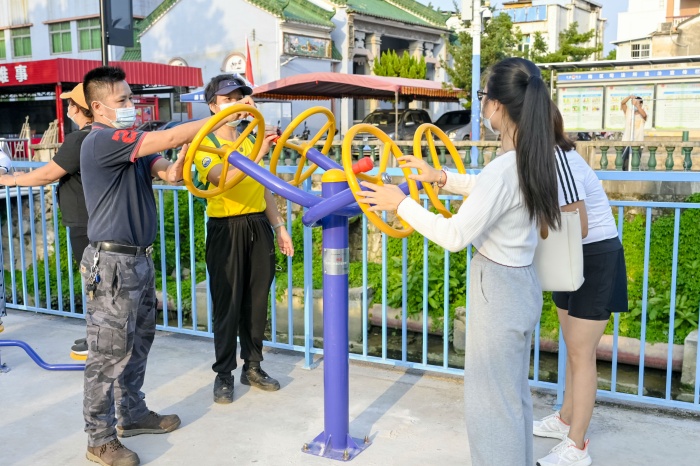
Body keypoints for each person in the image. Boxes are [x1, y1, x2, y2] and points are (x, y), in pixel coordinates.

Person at [355, 57, 561, 465]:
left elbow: (454, 236)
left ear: (496, 105)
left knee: (491, 408)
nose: (481, 105)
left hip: (497, 289)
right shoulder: (534, 156)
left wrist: (401, 204)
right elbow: (490, 191)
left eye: (483, 97)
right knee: (511, 399)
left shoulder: (505, 168)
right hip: (522, 284)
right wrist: (442, 178)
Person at [80, 66, 243, 466]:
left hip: (139, 259)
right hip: (112, 263)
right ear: (98, 107)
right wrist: (222, 117)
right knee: (107, 355)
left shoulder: (133, 146)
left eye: (131, 98)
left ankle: (132, 414)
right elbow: (169, 136)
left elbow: (170, 173)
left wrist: (183, 159)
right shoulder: (101, 141)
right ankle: (99, 439)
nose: (130, 105)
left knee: (138, 343)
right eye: (122, 100)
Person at [533, 106, 628, 466]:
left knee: (581, 353)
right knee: (571, 345)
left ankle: (577, 446)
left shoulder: (559, 158)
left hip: (594, 254)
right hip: (567, 251)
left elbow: (579, 222)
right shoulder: (539, 158)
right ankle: (565, 419)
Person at [193, 74, 294, 404]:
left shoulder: (251, 140)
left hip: (257, 226)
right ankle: (223, 373)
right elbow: (221, 179)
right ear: (213, 106)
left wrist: (279, 227)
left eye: (240, 98)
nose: (236, 104)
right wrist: (260, 151)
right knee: (228, 304)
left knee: (256, 303)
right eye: (228, 99)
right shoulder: (205, 143)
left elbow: (263, 188)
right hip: (226, 228)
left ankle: (252, 367)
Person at [0, 83, 93, 356]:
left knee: (94, 283)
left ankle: (98, 339)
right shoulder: (101, 137)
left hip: (85, 223)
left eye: (71, 104)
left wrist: (10, 180)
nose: (68, 108)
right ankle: (97, 335)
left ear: (80, 108)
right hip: (95, 220)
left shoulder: (80, 139)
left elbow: (48, 174)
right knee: (98, 282)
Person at [620, 95, 647, 170]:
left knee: (635, 165)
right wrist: (629, 97)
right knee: (625, 165)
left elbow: (644, 115)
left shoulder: (642, 114)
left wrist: (637, 105)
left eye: (638, 103)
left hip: (638, 143)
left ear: (641, 104)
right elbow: (622, 103)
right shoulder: (629, 112)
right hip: (626, 142)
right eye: (634, 102)